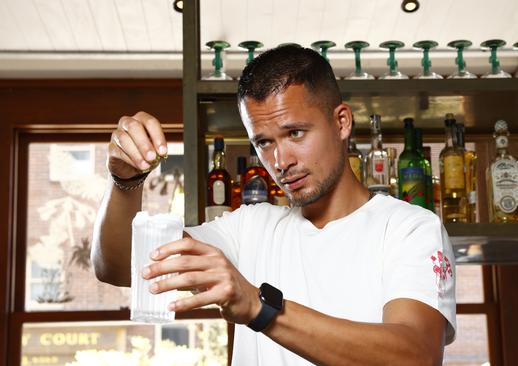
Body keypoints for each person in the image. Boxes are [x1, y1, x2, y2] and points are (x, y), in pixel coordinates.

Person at [92, 45, 456, 365]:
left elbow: (416, 355)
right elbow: (119, 266)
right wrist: (124, 181)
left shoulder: (409, 228)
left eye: (295, 133)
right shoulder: (250, 227)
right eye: (263, 142)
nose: (280, 160)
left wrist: (260, 307)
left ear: (341, 122)